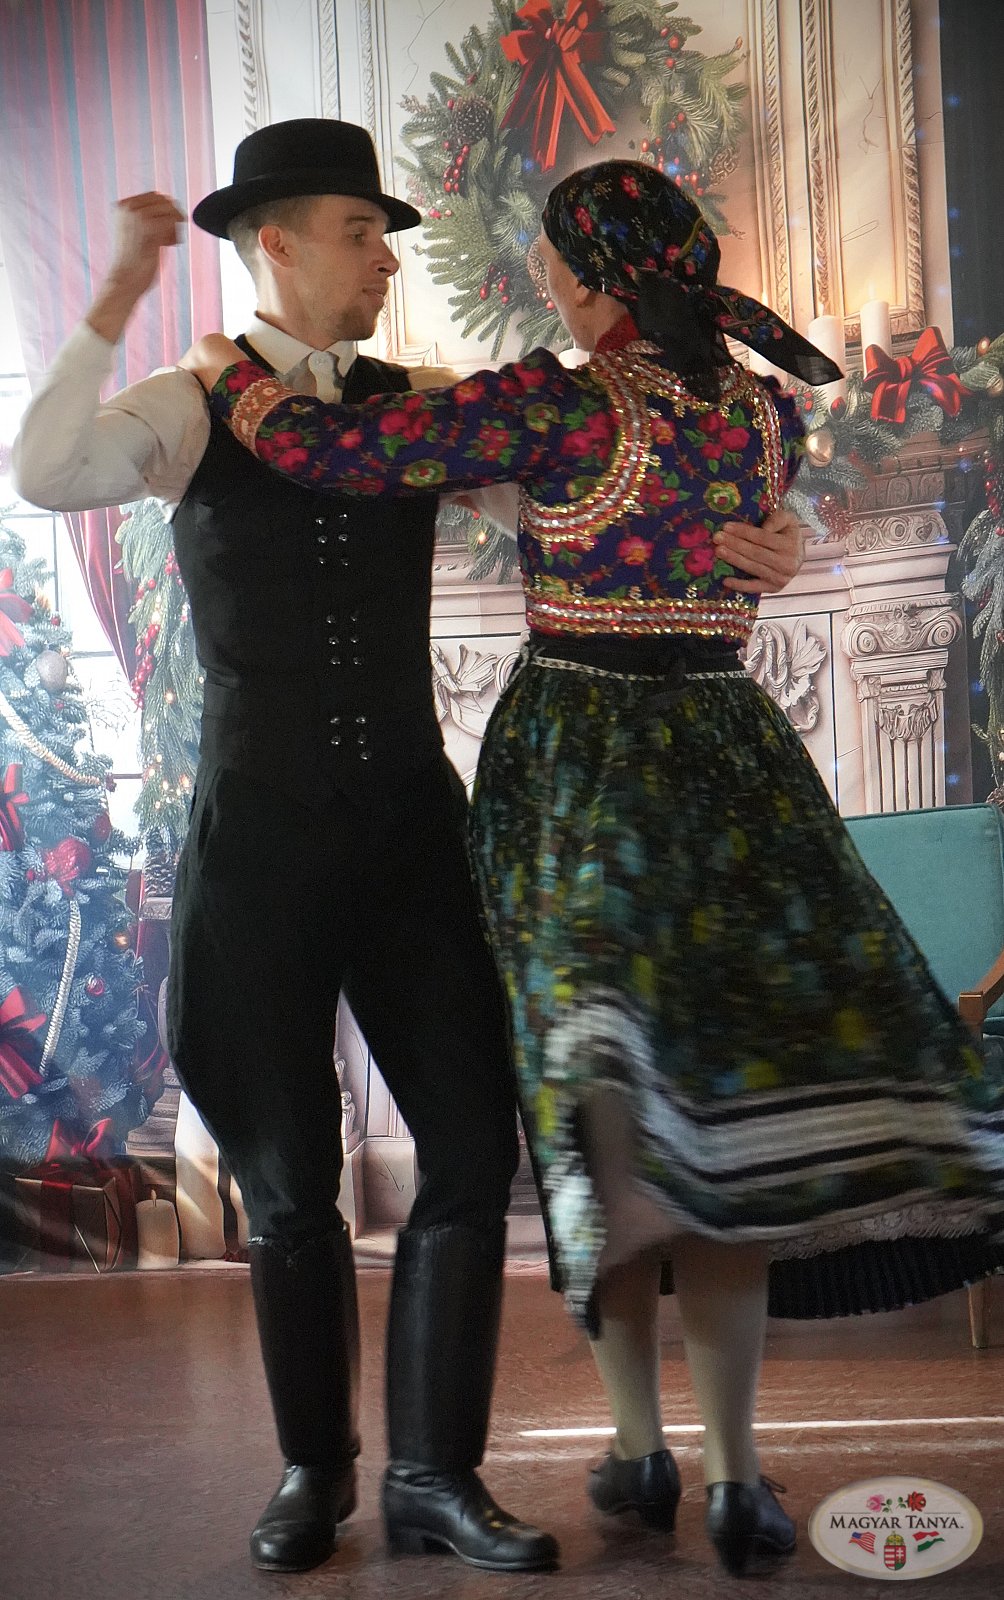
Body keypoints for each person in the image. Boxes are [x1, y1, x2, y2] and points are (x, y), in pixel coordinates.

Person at [183, 157, 1004, 1580]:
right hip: (731, 764)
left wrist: (226, 377)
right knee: (722, 1112)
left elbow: (336, 453)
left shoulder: (559, 402)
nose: (549, 290)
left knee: (601, 1120)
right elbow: (744, 544)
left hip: (580, 773)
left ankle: (638, 1447)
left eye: (558, 268)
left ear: (595, 279)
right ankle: (735, 1473)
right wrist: (776, 545)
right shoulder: (766, 411)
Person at [10, 124, 804, 1577]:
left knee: (470, 1146)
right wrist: (118, 291)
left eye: (388, 236)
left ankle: (438, 1474)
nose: (388, 259)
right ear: (275, 243)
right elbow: (50, 470)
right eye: (361, 231)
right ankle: (316, 1472)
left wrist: (771, 538)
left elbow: (608, 502)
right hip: (257, 837)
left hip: (408, 829)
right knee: (287, 1176)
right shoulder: (187, 401)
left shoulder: (429, 405)